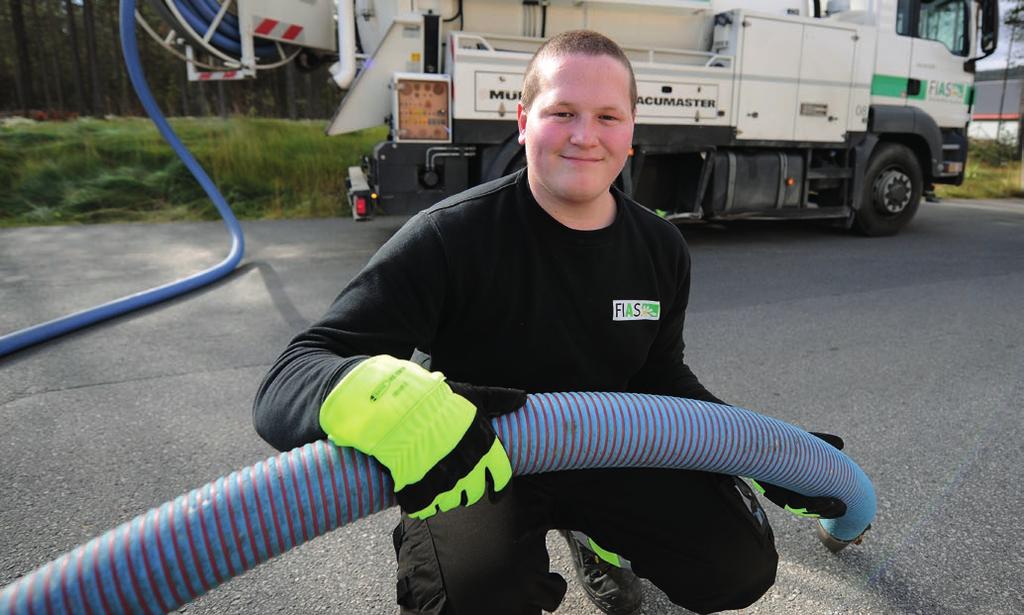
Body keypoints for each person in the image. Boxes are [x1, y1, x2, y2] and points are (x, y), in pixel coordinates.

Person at [253, 30, 844, 615]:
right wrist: (390, 398)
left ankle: (596, 538)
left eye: (607, 117)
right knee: (476, 600)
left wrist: (765, 448)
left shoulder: (660, 246)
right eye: (562, 112)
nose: (585, 136)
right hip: (478, 459)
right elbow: (292, 376)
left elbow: (662, 374)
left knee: (734, 568)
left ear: (632, 130)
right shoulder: (450, 236)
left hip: (611, 450)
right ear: (523, 121)